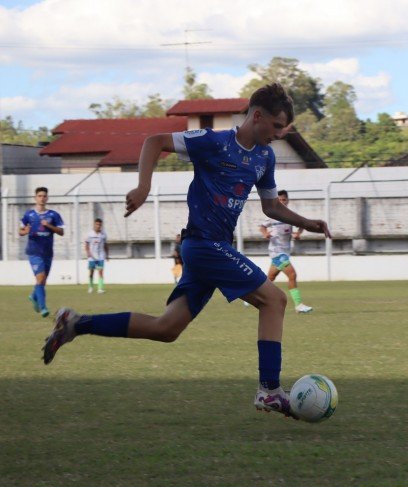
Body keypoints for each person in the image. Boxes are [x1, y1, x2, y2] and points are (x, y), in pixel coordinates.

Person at [41, 83, 332, 419]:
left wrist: (306, 221)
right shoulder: (214, 141)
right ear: (257, 116)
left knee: (166, 329)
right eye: (277, 125)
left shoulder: (264, 157)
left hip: (213, 247)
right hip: (202, 244)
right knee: (275, 300)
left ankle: (75, 323)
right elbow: (155, 142)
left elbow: (271, 207)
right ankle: (269, 390)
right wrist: (144, 185)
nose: (280, 133)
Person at [260, 190, 313, 314]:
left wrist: (298, 233)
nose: (282, 202)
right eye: (279, 200)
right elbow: (262, 227)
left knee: (269, 279)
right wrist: (265, 234)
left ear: (287, 200)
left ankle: (250, 297)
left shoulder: (291, 216)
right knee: (292, 275)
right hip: (277, 252)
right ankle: (299, 305)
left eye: (284, 199)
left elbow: (302, 224)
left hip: (285, 252)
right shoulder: (272, 216)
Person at [19, 186, 64, 318]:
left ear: (47, 198)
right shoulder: (29, 215)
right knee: (41, 278)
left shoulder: (53, 215)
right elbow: (20, 231)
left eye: (44, 196)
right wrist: (25, 231)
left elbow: (61, 232)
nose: (42, 198)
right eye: (39, 196)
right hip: (34, 252)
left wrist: (48, 225)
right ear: (35, 198)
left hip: (48, 253)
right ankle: (43, 307)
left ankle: (33, 296)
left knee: (42, 281)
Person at [85, 218, 109, 293]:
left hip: (100, 256)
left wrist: (107, 255)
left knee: (101, 272)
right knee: (91, 272)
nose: (98, 226)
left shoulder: (103, 234)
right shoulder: (89, 234)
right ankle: (91, 287)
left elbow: (105, 245)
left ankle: (100, 288)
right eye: (97, 224)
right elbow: (86, 244)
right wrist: (88, 252)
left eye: (100, 225)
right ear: (94, 224)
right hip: (92, 257)